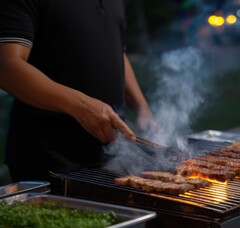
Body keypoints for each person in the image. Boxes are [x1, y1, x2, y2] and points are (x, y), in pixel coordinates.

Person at [0, 0, 156, 185]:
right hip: (51, 160)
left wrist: (142, 107)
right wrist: (80, 106)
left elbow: (115, 51)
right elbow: (7, 66)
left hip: (114, 159)